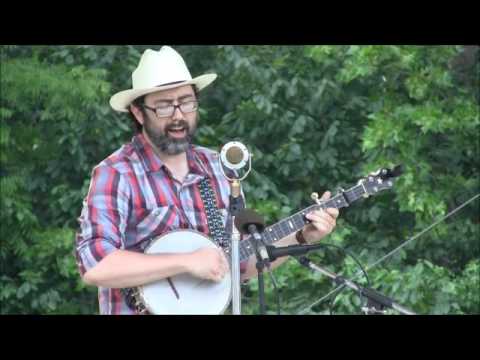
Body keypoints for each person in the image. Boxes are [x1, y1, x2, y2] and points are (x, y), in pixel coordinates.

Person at [75, 46, 339, 314]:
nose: (179, 115)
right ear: (138, 112)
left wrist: (301, 235)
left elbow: (238, 265)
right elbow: (96, 265)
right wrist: (186, 262)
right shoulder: (117, 173)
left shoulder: (217, 168)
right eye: (165, 106)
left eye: (187, 102)